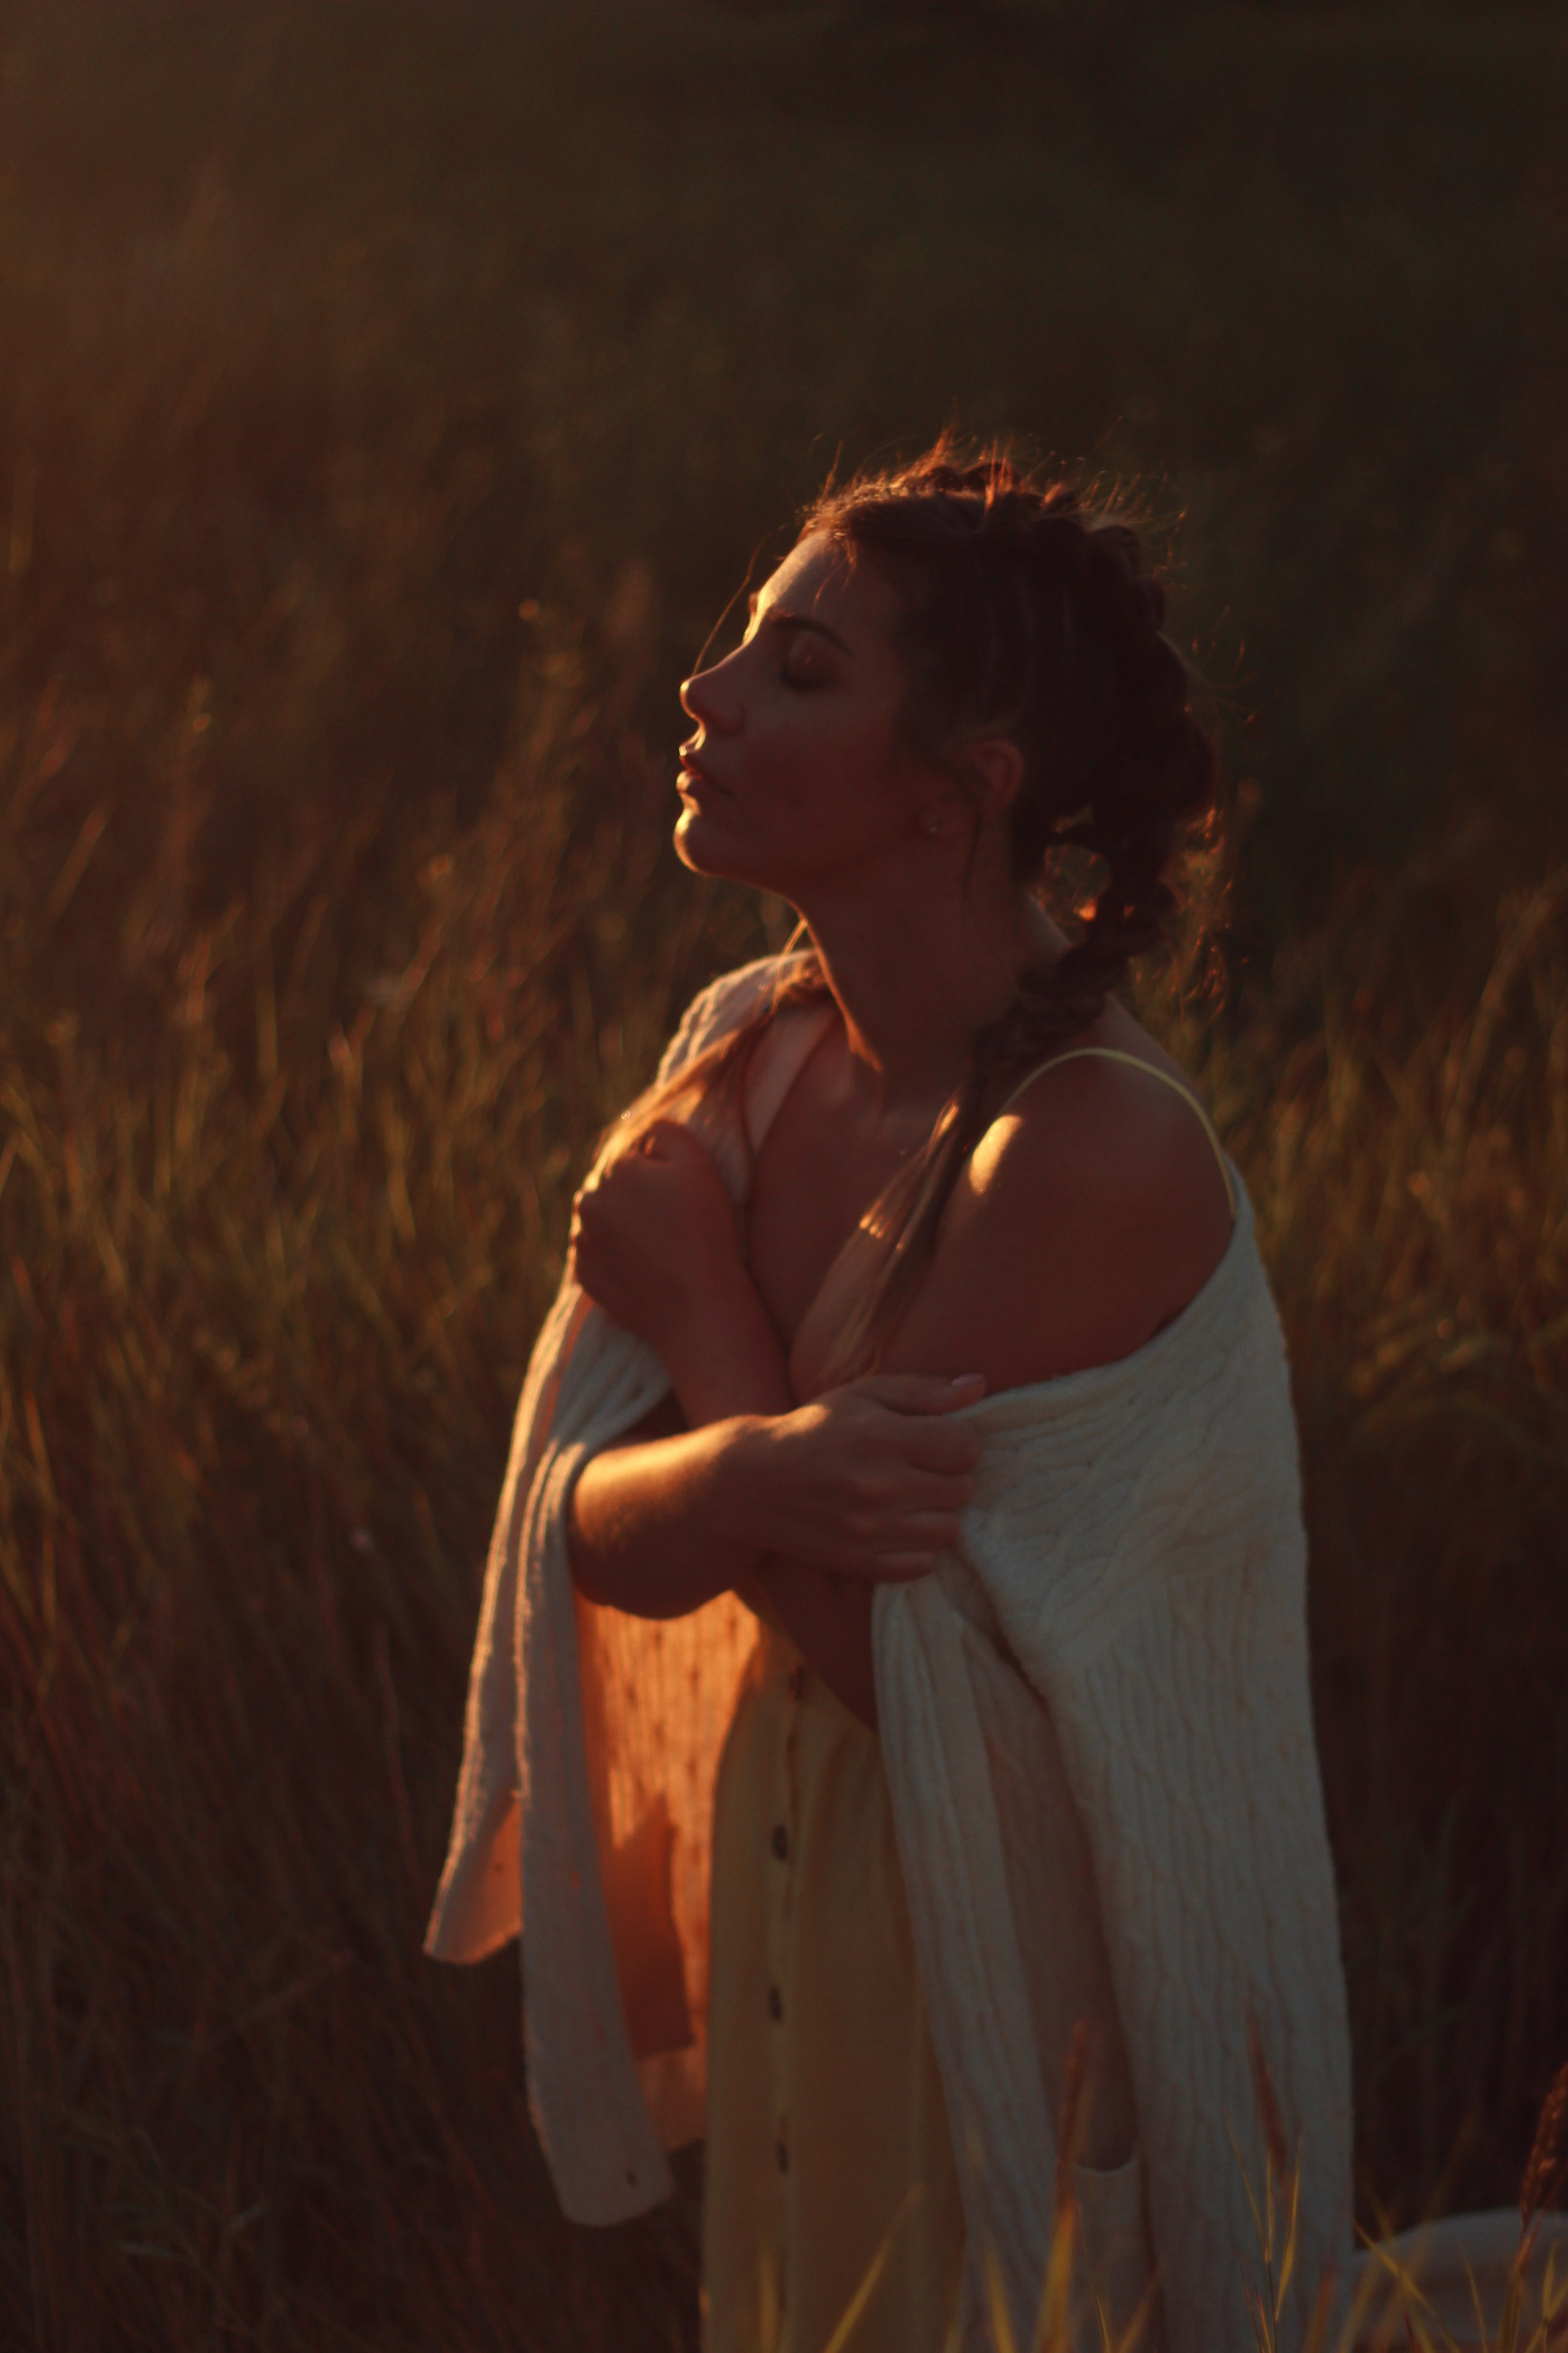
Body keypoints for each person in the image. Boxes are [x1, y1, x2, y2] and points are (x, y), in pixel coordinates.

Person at [426, 443, 1357, 2352]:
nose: (707, 695)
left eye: (798, 671)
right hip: (798, 1883)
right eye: (738, 652)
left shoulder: (1082, 1151)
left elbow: (901, 1666)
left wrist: (709, 1341)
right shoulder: (750, 1051)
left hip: (1001, 1942)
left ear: (965, 789)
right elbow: (576, 1526)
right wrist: (768, 1460)